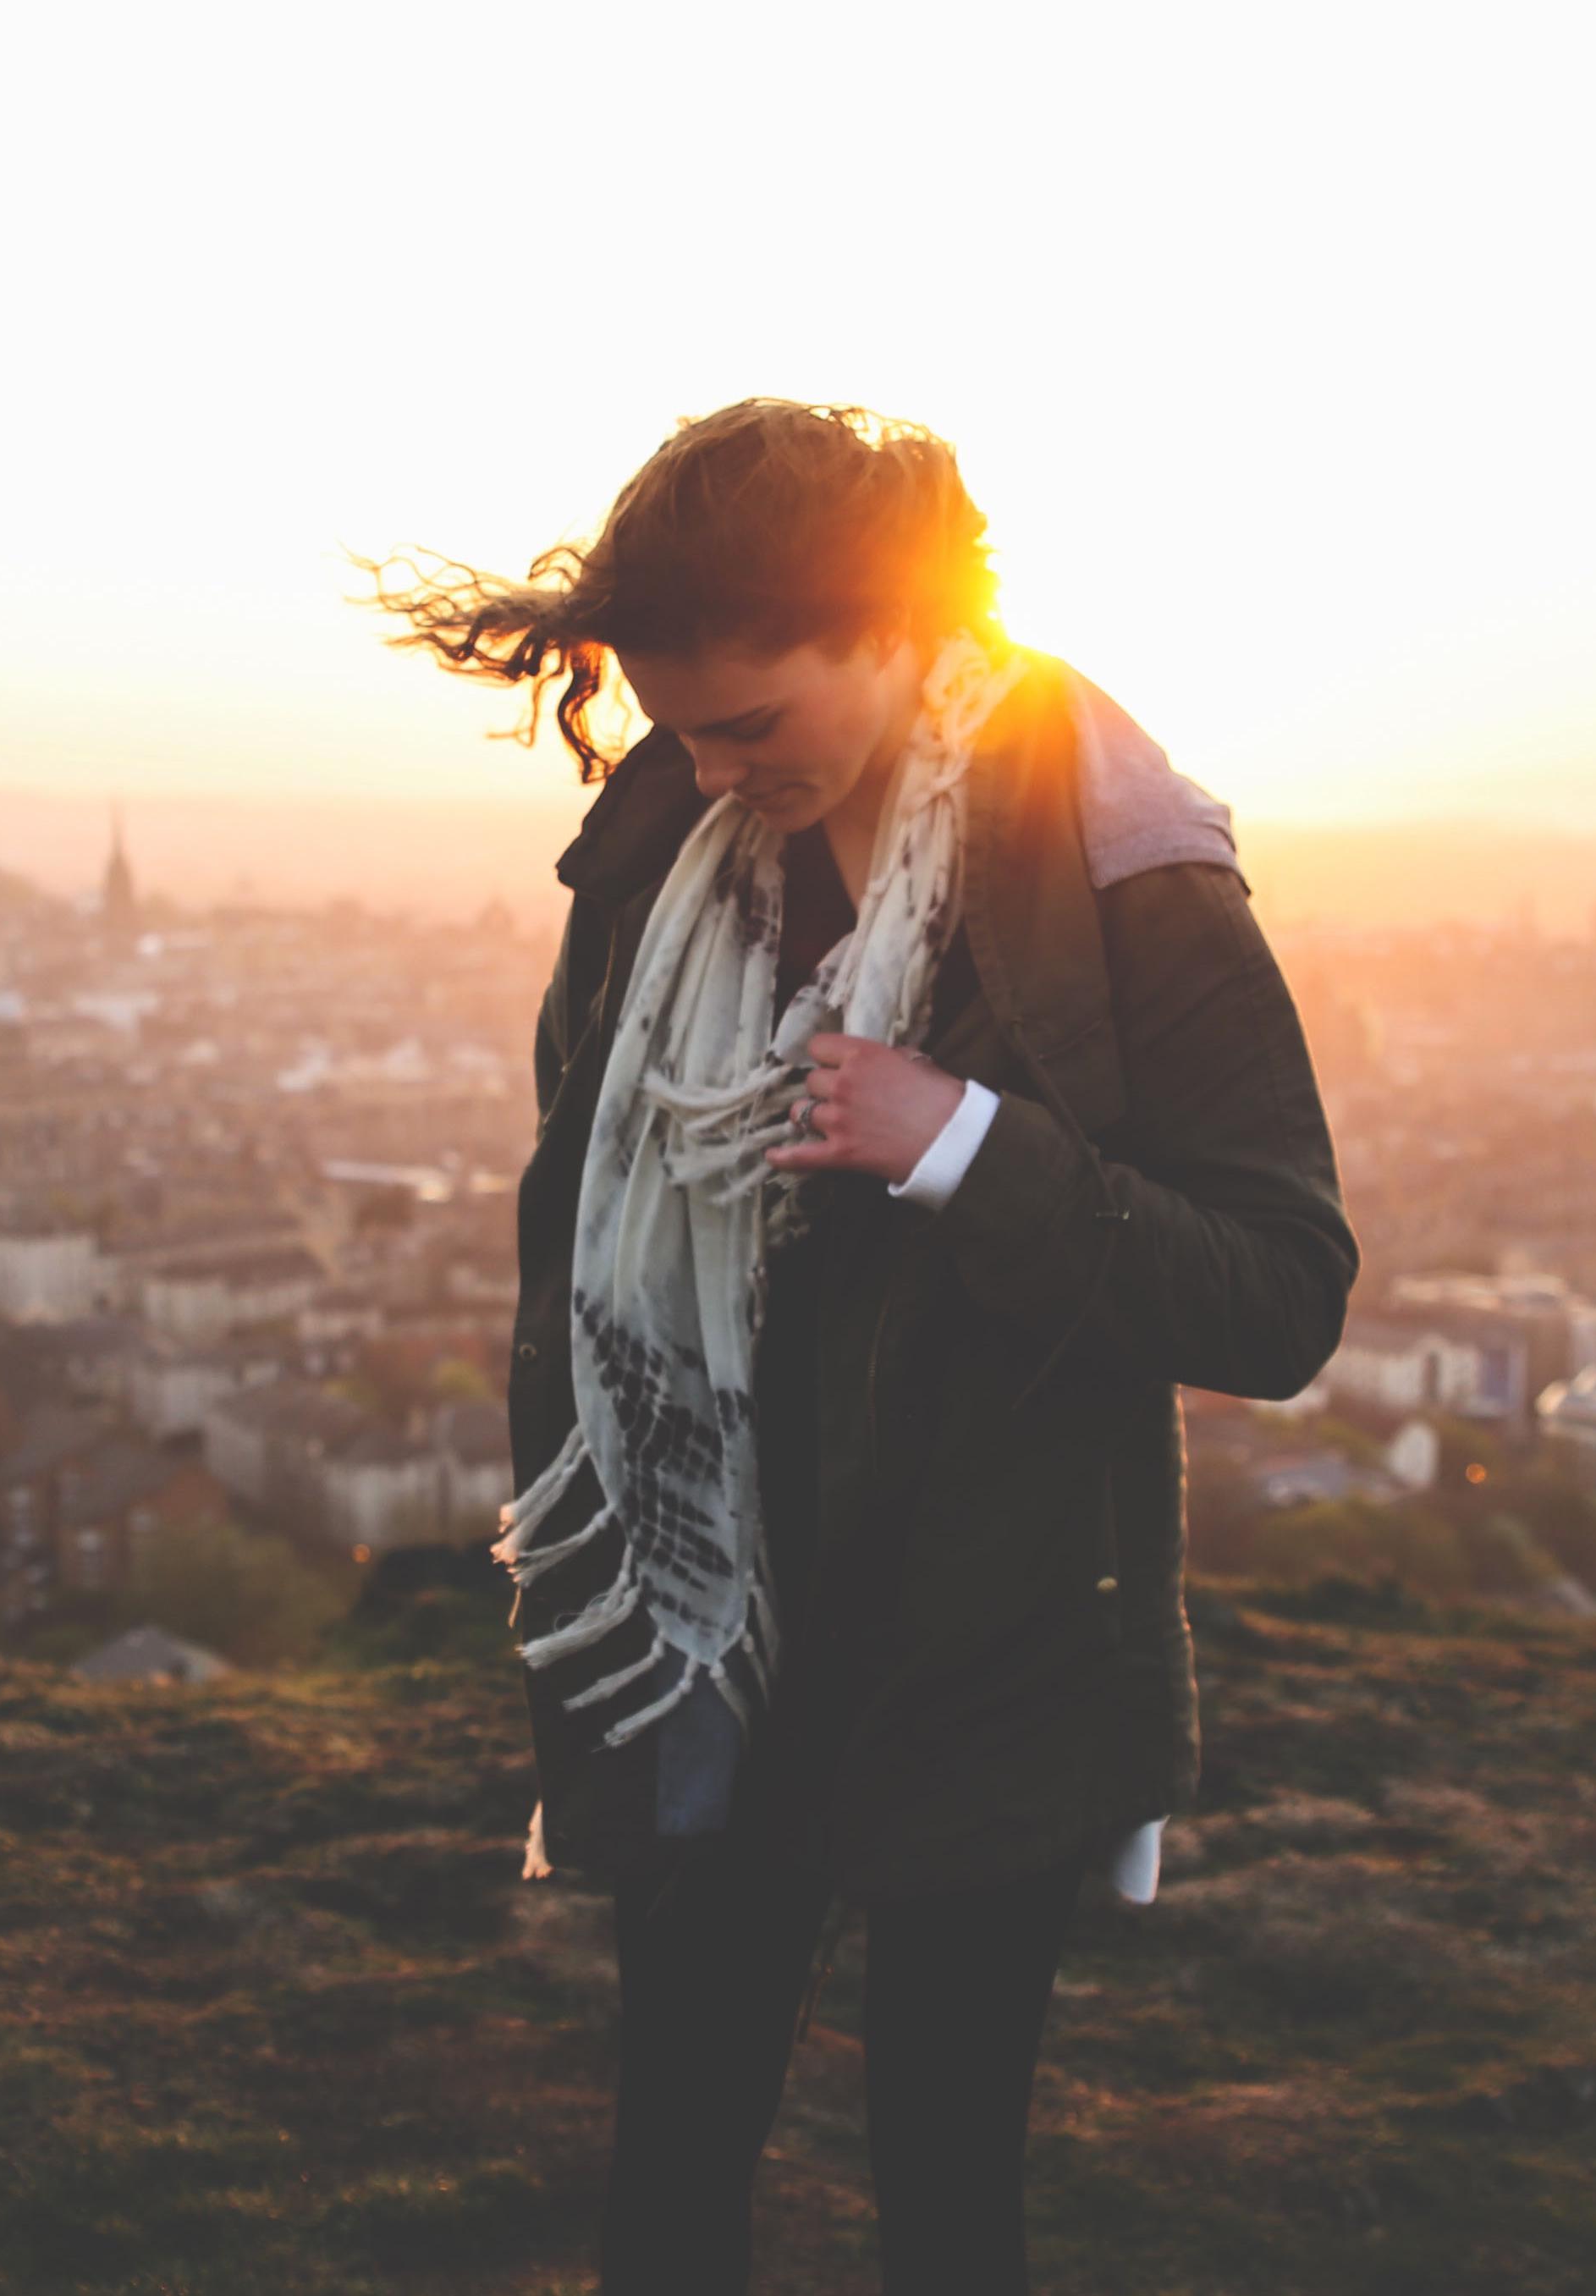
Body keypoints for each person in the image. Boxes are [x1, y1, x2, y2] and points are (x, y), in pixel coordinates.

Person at [373, 399, 1355, 2293]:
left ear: (901, 627)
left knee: (946, 2192)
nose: (717, 767)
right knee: (668, 2169)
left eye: (757, 721)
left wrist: (958, 1141)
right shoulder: (660, 840)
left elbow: (1279, 1285)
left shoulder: (1112, 842)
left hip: (985, 1627)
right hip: (701, 1620)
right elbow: (576, 1206)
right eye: (677, 722)